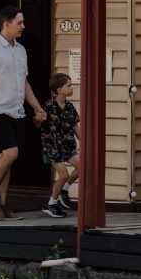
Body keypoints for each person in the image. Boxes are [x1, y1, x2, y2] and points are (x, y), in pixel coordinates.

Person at [0, 5, 47, 220]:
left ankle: (2, 205)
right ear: (6, 24)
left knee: (6, 158)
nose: (23, 26)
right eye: (19, 22)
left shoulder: (20, 50)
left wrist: (37, 107)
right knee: (11, 153)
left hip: (16, 111)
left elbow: (24, 83)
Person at [40, 72, 80, 218]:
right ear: (58, 90)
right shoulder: (48, 106)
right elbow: (40, 123)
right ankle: (51, 203)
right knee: (63, 174)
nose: (72, 87)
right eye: (68, 85)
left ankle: (64, 191)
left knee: (83, 166)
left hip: (68, 146)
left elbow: (76, 128)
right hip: (53, 147)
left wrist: (84, 142)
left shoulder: (70, 107)